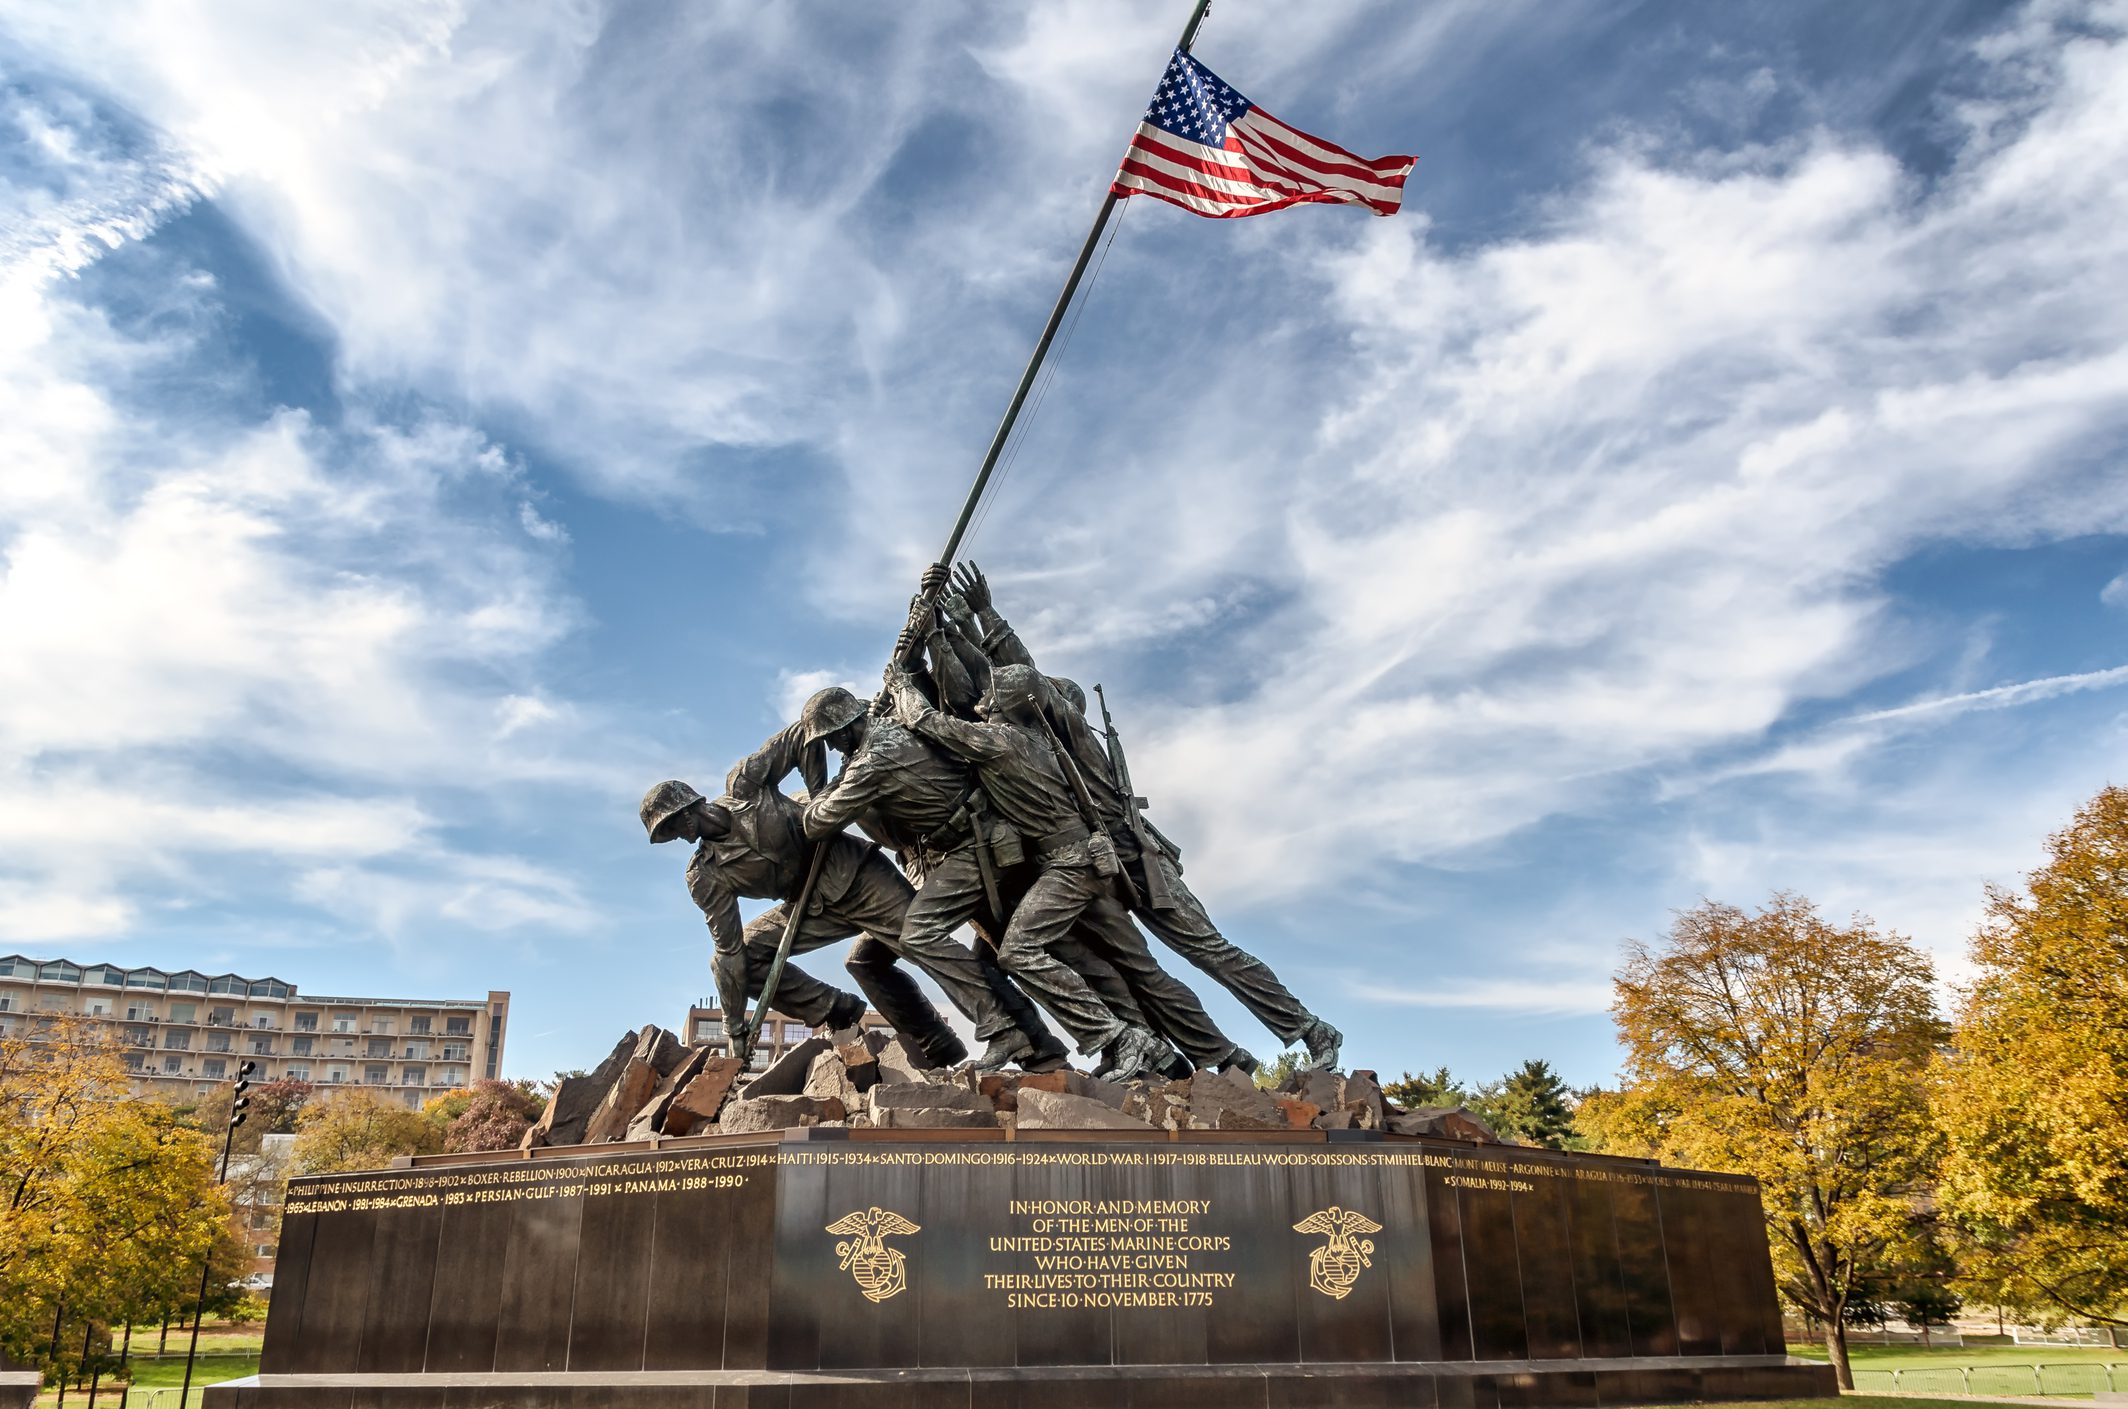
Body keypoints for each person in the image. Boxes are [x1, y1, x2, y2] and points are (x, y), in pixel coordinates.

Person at [948, 561, 1345, 1071]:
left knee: (1210, 951)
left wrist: (987, 615)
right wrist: (960, 628)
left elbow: (1024, 677)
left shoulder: (1073, 737)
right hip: (1100, 863)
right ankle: (1197, 1055)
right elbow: (1000, 682)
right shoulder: (1036, 746)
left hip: (1137, 859)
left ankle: (1312, 1029)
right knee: (1141, 969)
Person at [888, 661, 1178, 1081]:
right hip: (1066, 862)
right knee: (1090, 959)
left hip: (1068, 865)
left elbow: (926, 720)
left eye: (991, 693)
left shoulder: (1000, 741)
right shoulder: (1040, 740)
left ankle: (1126, 1038)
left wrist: (901, 685)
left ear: (1003, 704)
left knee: (1020, 952)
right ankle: (1140, 1045)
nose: (981, 699)